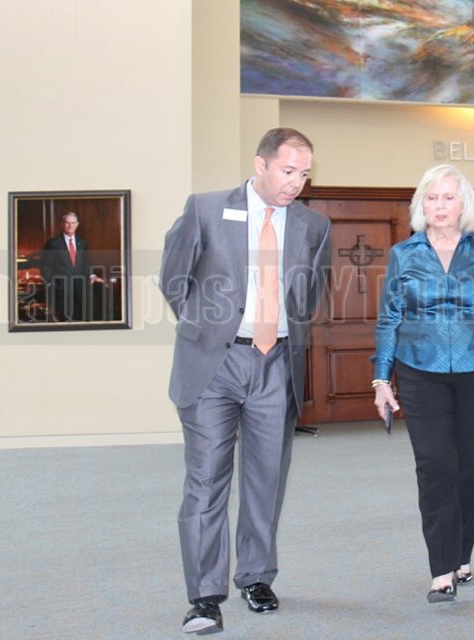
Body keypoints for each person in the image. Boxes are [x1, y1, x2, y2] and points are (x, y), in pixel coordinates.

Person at [159, 127, 331, 635]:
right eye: (288, 171)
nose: (296, 182)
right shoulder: (206, 209)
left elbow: (310, 294)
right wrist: (207, 329)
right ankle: (204, 597)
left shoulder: (313, 225)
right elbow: (173, 277)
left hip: (276, 364)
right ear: (261, 165)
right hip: (214, 365)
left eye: (304, 174)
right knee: (207, 481)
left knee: (265, 479)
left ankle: (256, 576)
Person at [371, 164, 474, 603]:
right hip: (420, 369)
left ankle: (462, 554)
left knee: (468, 465)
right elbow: (389, 317)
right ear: (421, 204)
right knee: (434, 463)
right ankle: (441, 568)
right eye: (432, 197)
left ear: (464, 205)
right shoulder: (404, 253)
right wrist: (381, 377)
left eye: (448, 197)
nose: (439, 206)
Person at [40, 212, 104, 321]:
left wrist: (92, 275)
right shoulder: (53, 243)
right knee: (65, 318)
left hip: (80, 287)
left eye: (73, 223)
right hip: (61, 288)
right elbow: (45, 265)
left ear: (77, 224)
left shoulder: (82, 243)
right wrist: (50, 282)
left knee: (81, 316)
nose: (70, 226)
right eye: (67, 223)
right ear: (62, 224)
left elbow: (85, 262)